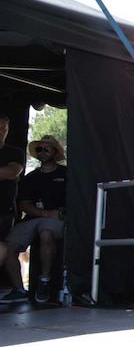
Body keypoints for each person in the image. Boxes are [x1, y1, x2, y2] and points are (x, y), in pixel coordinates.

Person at [0, 135, 66, 304]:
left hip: (58, 220)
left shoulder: (67, 174)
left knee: (46, 233)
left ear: (56, 152)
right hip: (34, 218)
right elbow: (23, 204)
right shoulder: (30, 178)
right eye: (39, 149)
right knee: (7, 247)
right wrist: (44, 213)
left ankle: (44, 280)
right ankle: (18, 288)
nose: (42, 152)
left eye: (47, 149)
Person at [0, 114, 25, 253]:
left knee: (5, 250)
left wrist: (8, 175)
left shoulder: (14, 152)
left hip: (4, 212)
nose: (1, 132)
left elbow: (12, 172)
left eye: (4, 128)